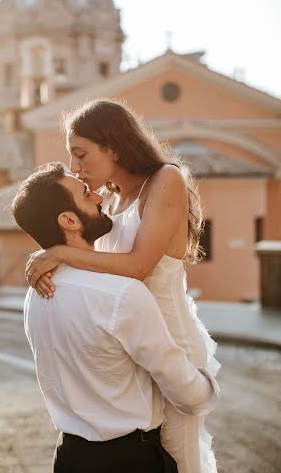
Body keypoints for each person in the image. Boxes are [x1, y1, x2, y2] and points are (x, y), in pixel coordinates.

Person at [25, 99, 220, 473]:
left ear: (113, 146)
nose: (76, 168)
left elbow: (137, 266)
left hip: (170, 347)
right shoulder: (110, 200)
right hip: (126, 348)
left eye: (81, 155)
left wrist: (60, 255)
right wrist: (56, 261)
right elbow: (94, 272)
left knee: (179, 460)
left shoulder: (166, 180)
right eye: (72, 157)